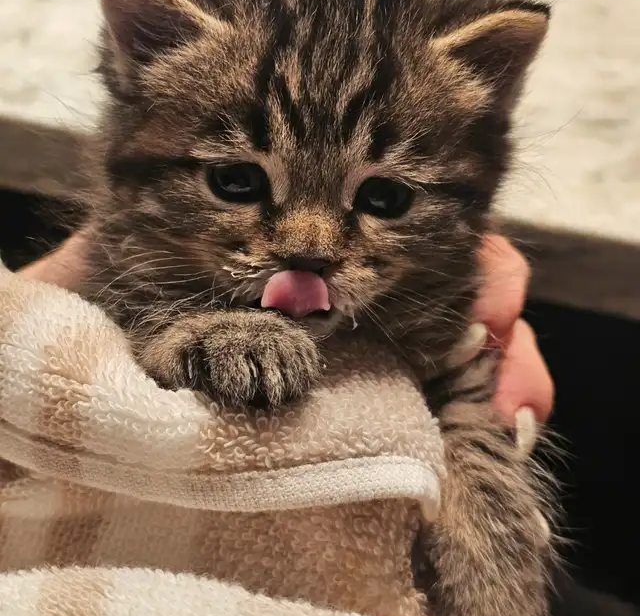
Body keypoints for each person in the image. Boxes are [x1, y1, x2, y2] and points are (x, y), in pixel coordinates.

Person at [19, 228, 553, 424]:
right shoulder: (135, 261)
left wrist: (474, 444)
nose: (309, 246)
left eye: (385, 197)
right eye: (236, 179)